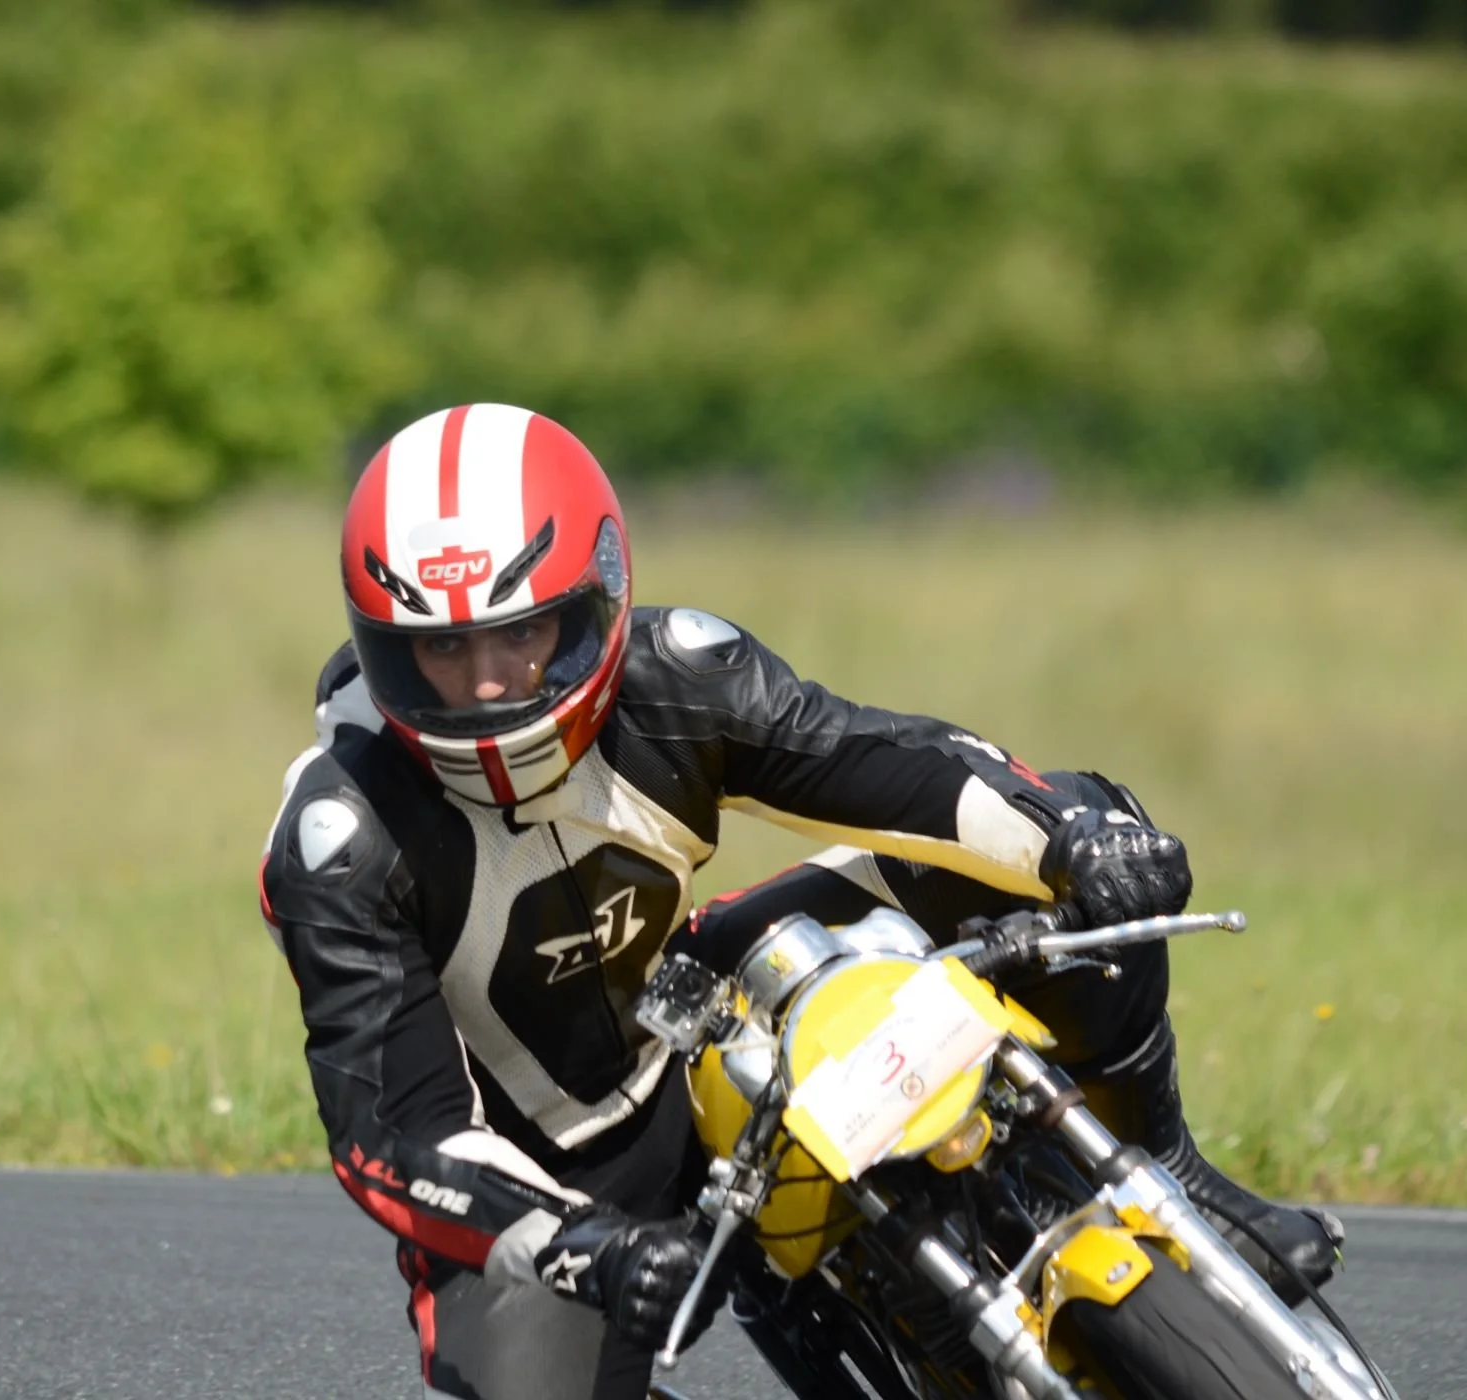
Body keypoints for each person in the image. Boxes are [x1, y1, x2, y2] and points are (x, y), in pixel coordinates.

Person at [258, 404, 1340, 1400]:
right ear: (383, 645)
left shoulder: (679, 674)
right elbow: (391, 1135)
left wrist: (1074, 837)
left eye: (523, 631)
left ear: (595, 596)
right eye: (441, 647)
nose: (489, 680)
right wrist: (576, 1241)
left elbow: (894, 766)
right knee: (528, 1373)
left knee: (1080, 830)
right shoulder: (343, 840)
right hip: (550, 1173)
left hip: (698, 1002)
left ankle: (1170, 1171)